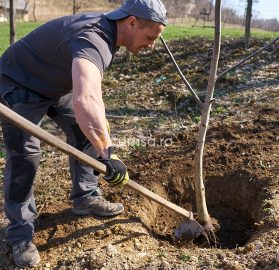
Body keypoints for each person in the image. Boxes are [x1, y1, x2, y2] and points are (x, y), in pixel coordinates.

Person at [0, 0, 167, 267]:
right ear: (132, 23)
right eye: (150, 37)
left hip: (55, 84)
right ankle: (20, 233)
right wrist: (108, 153)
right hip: (19, 82)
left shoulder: (109, 34)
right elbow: (87, 98)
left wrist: (100, 145)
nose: (152, 45)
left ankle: (86, 197)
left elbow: (87, 100)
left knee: (85, 133)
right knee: (25, 157)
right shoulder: (94, 38)